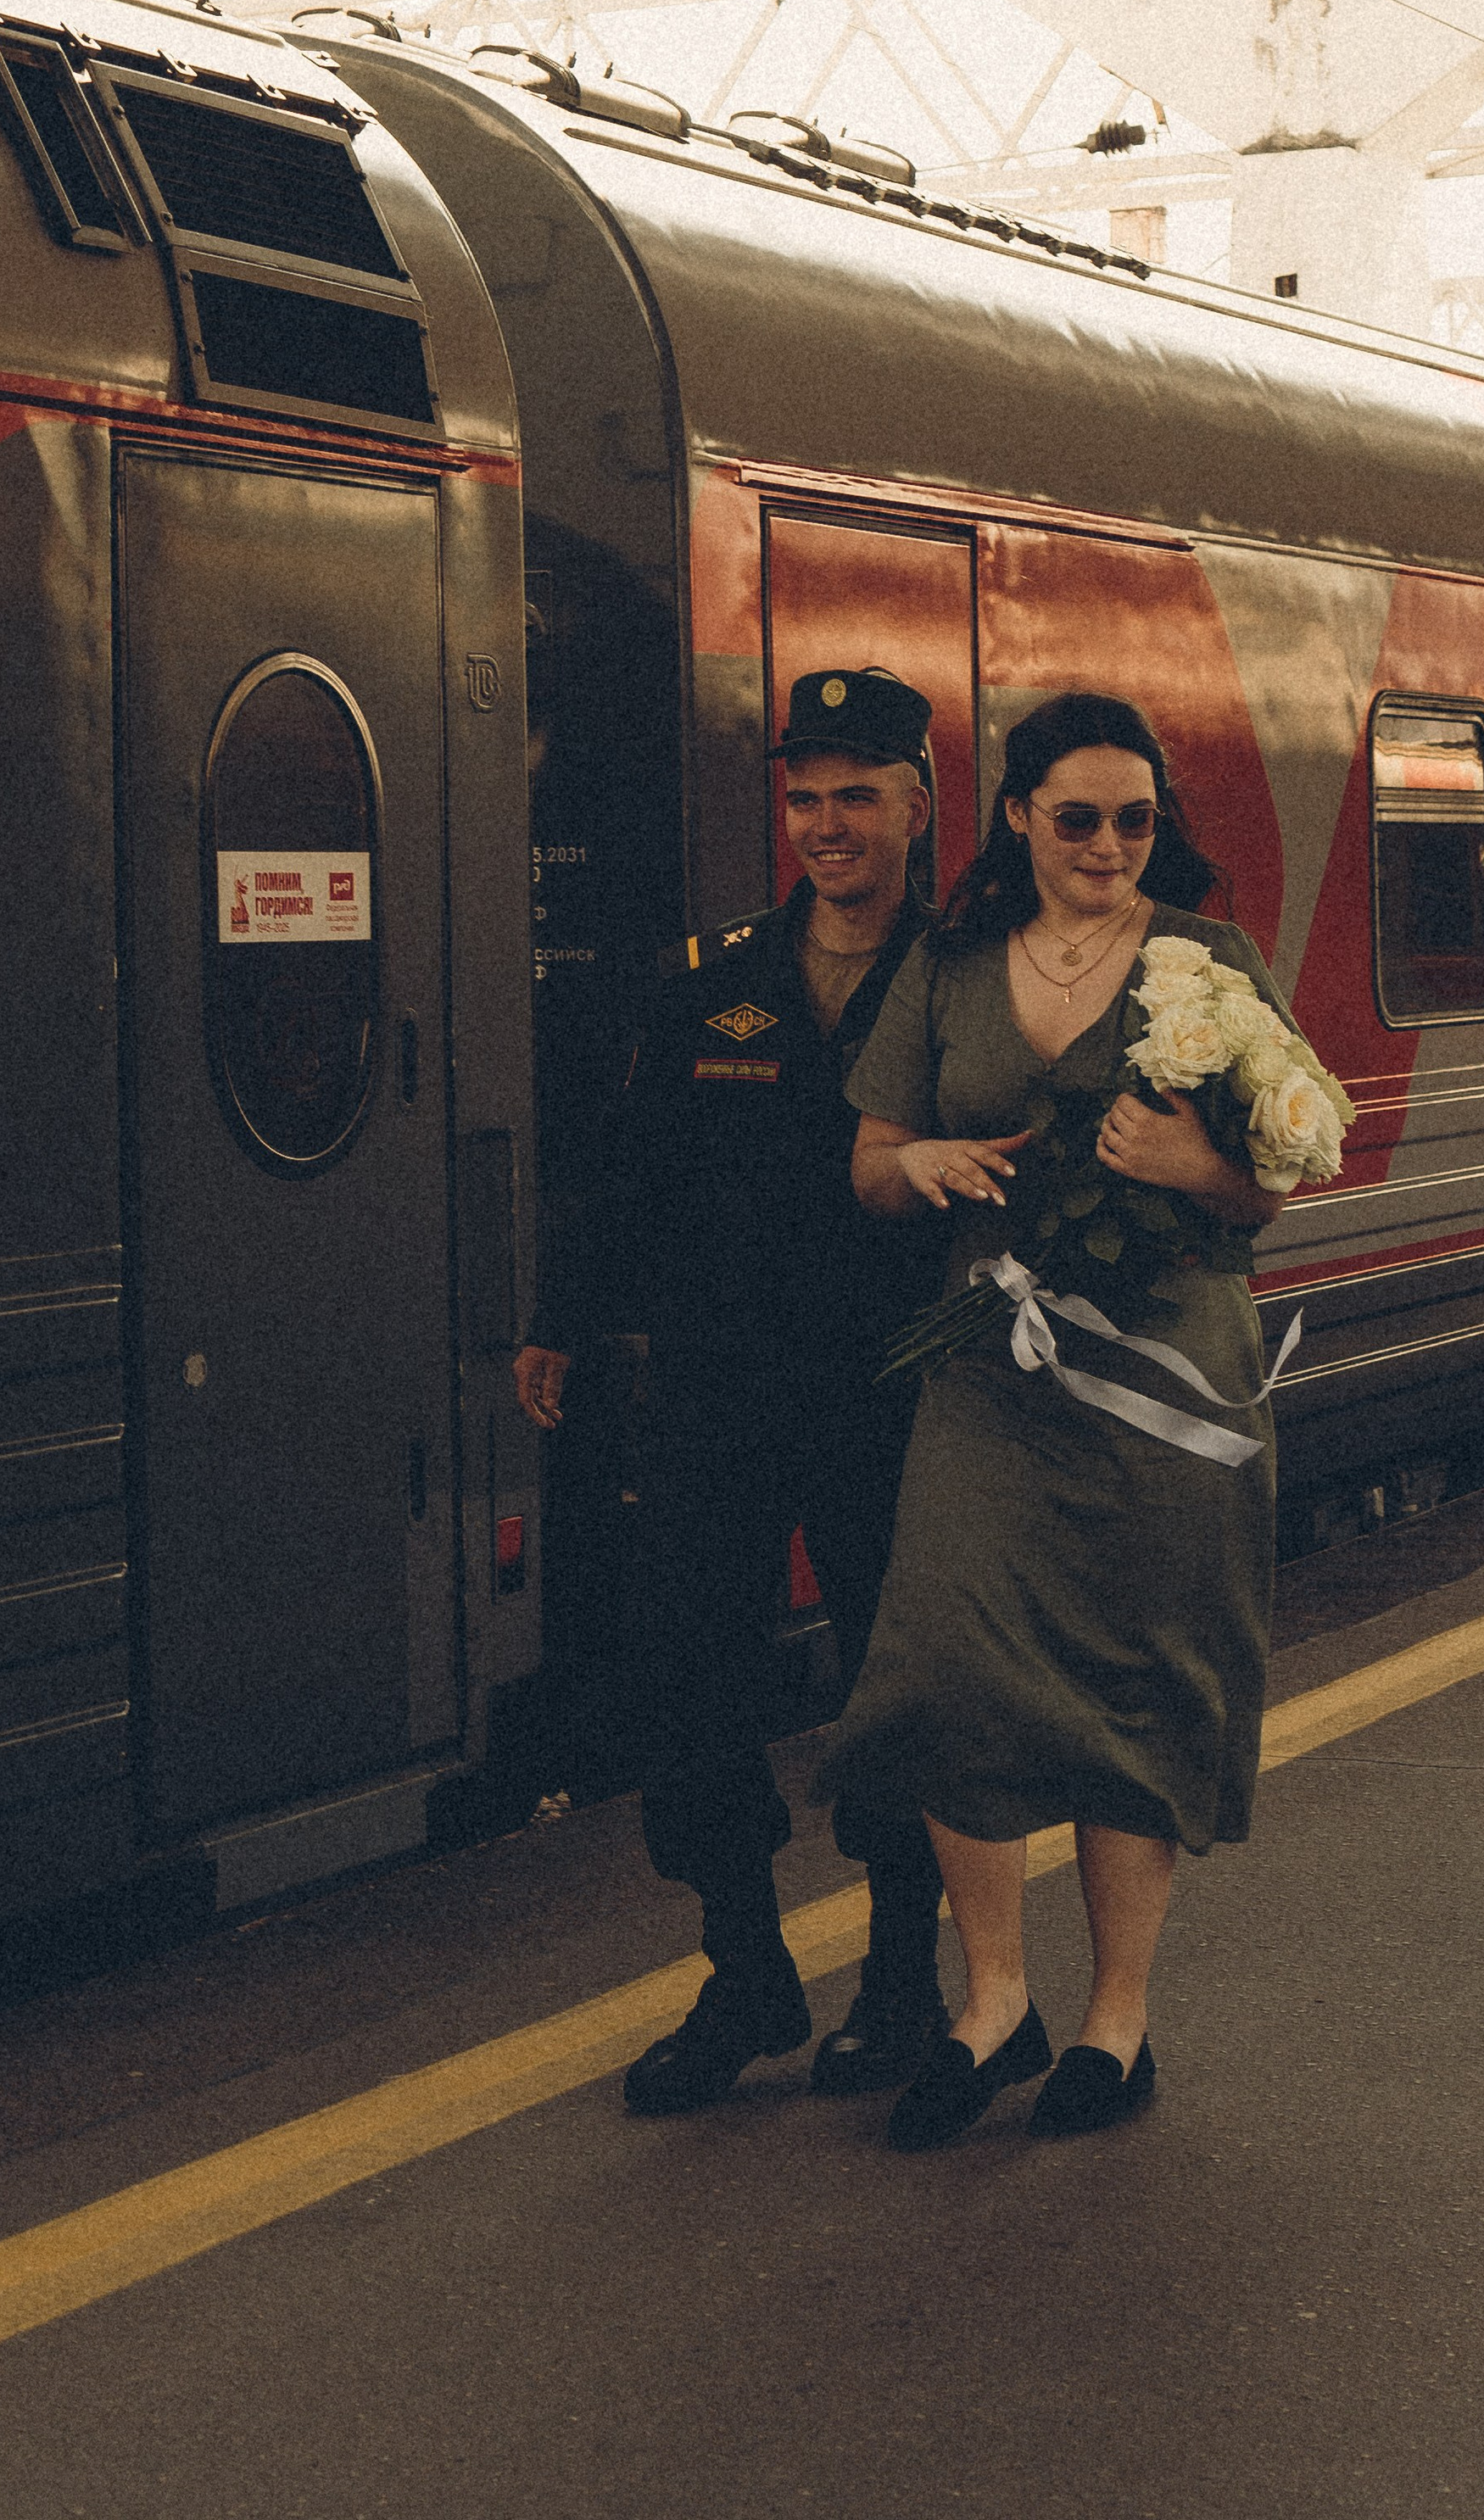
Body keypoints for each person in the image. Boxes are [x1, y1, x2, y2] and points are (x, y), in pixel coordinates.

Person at [819, 691, 1294, 2149]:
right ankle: (994, 2003)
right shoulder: (953, 963)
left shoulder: (1207, 962)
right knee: (949, 1671)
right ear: (1018, 816)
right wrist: (933, 1161)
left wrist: (1193, 1160)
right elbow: (870, 1167)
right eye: (1075, 816)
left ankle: (1116, 2023)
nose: (1104, 844)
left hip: (1160, 1372)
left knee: (1135, 1682)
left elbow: (1276, 1182)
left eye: (1134, 820)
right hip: (990, 1364)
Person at [513, 666, 950, 2115]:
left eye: (856, 797)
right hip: (720, 1389)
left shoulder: (962, 980)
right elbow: (634, 1170)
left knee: (894, 1690)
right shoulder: (719, 978)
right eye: (805, 796)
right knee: (684, 1673)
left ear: (918, 805)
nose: (824, 826)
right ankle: (746, 1970)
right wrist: (561, 1323)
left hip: (893, 1390)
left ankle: (897, 1982)